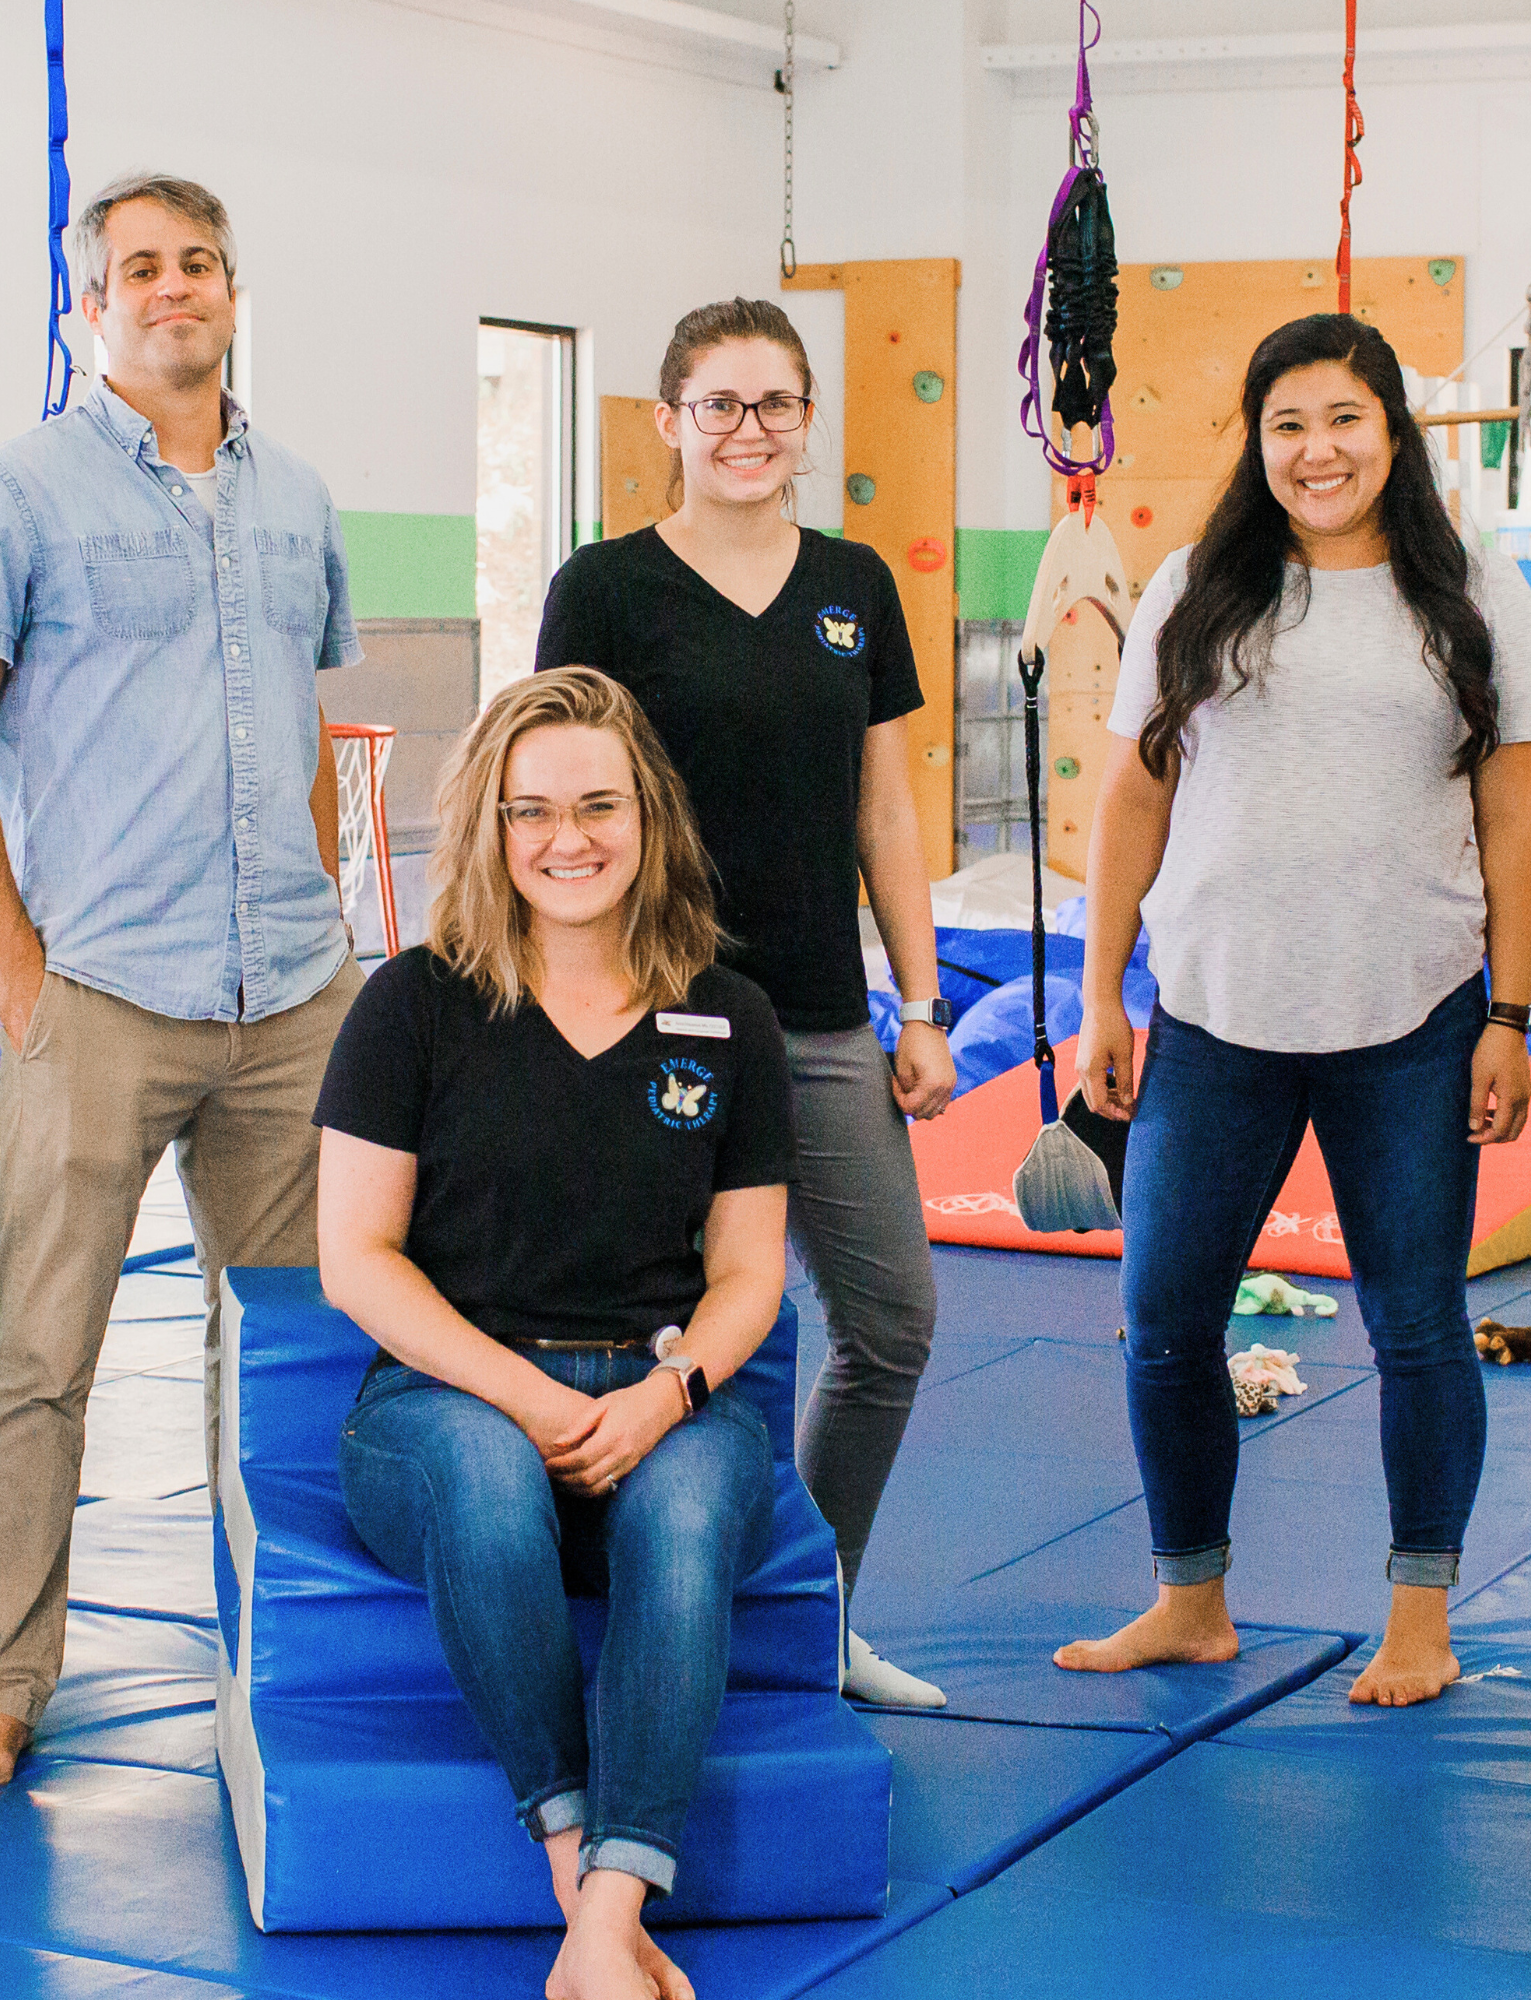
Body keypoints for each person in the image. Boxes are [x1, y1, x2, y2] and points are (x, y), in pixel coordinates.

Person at [1058, 313, 1531, 1706]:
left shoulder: (1471, 594)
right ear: (1257, 444)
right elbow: (1133, 793)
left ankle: (1420, 1618)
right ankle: (1191, 1599)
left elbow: (1512, 812)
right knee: (1161, 1317)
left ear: (1392, 432)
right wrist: (1099, 996)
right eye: (1287, 427)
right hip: (1214, 1013)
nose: (1317, 452)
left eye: (1344, 420)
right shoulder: (1198, 585)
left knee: (1419, 1324)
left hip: (1417, 1014)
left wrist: (1516, 1011)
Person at [316, 668, 792, 2000]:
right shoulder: (412, 1003)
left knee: (688, 1522)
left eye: (597, 805)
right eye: (531, 811)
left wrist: (673, 1391)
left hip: (660, 1395)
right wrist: (526, 1400)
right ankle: (572, 1857)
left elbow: (749, 1273)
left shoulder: (726, 1016)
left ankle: (607, 1923)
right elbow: (356, 1260)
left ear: (648, 817)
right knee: (481, 1484)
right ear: (488, 825)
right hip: (445, 1404)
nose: (567, 839)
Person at [0, 173, 364, 1792]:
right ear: (92, 307)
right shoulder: (22, 493)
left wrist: (327, 909)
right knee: (44, 1352)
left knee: (292, 1344)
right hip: (105, 990)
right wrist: (19, 974)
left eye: (200, 260)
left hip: (289, 992)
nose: (175, 286)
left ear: (230, 286)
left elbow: (313, 730)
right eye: (141, 267)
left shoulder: (302, 495)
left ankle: (287, 1655)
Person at [536, 298, 954, 1707]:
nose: (749, 430)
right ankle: (635, 1625)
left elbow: (886, 808)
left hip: (823, 1017)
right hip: (652, 1009)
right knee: (663, 1325)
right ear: (668, 423)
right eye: (719, 403)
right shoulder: (604, 588)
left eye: (776, 403)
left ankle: (806, 1612)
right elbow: (555, 806)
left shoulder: (852, 584)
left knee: (891, 1321)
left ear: (806, 421)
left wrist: (921, 1003)